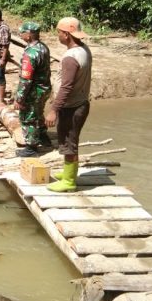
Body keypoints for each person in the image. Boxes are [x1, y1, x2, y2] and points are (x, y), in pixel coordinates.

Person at [45, 17, 92, 192]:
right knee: (70, 142)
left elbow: (66, 86)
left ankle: (69, 181)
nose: (57, 35)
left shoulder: (71, 58)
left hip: (71, 107)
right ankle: (68, 173)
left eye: (58, 32)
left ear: (66, 34)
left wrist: (53, 110)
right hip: (80, 102)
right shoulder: (84, 49)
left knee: (69, 143)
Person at [13, 21, 52, 158]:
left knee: (28, 117)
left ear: (29, 35)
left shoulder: (30, 53)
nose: (21, 34)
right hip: (45, 88)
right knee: (38, 112)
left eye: (23, 32)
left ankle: (31, 147)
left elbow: (26, 79)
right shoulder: (43, 47)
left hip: (34, 91)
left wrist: (19, 98)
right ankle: (43, 136)